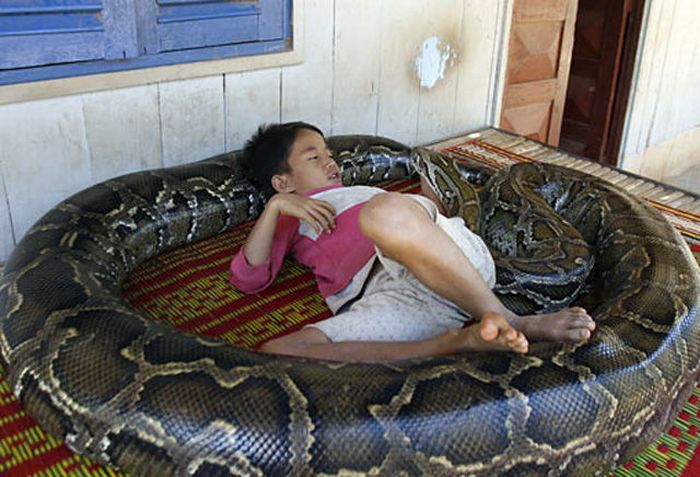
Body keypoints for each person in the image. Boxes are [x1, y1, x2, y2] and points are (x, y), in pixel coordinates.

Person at [229, 122, 595, 362]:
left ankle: (507, 315)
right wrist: (277, 208)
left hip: (451, 264)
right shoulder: (288, 216)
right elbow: (248, 278)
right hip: (395, 300)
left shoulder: (364, 193)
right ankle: (453, 342)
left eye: (329, 154)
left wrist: (429, 198)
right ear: (282, 182)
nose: (331, 162)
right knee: (280, 352)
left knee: (382, 213)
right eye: (314, 157)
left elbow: (421, 223)